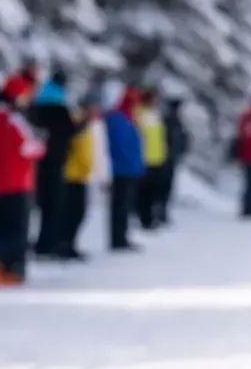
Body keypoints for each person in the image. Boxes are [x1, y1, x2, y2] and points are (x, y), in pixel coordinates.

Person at [0, 75, 44, 285]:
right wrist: (42, 145)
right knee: (18, 232)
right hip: (18, 181)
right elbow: (30, 147)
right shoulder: (14, 120)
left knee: (4, 229)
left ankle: (6, 270)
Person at [27, 69, 87, 257]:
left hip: (36, 163)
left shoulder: (35, 107)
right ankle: (50, 244)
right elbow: (71, 131)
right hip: (57, 162)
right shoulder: (61, 108)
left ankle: (42, 242)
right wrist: (83, 124)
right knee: (55, 206)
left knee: (43, 205)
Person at [60, 98, 100, 260]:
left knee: (77, 213)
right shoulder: (79, 124)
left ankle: (69, 243)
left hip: (79, 175)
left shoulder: (84, 124)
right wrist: (88, 167)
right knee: (74, 212)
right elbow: (80, 150)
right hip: (74, 175)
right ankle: (66, 244)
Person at [105, 90, 145, 251]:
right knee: (120, 205)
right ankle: (118, 239)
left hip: (129, 169)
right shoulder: (119, 120)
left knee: (125, 205)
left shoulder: (128, 119)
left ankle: (122, 236)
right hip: (122, 169)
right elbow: (122, 146)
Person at [133, 87, 169, 229]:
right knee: (144, 192)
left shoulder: (155, 114)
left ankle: (150, 217)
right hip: (145, 159)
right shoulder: (140, 113)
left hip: (156, 159)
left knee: (153, 191)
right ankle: (145, 218)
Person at [156, 96, 189, 224]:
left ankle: (161, 211)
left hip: (168, 158)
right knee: (164, 187)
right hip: (166, 159)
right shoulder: (172, 122)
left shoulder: (169, 121)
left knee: (165, 187)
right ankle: (160, 211)